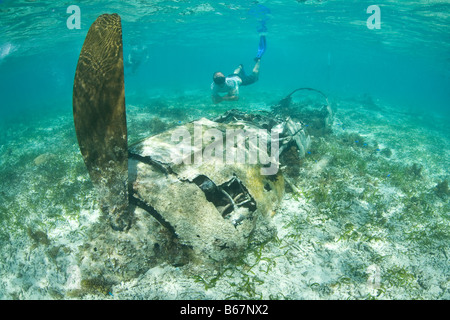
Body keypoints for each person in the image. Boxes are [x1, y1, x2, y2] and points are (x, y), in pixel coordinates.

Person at [211, 36, 266, 104]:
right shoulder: (213, 86)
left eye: (220, 78)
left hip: (240, 80)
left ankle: (258, 60)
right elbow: (215, 101)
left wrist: (223, 98)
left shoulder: (231, 83)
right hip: (232, 76)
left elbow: (236, 98)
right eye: (218, 79)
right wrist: (228, 96)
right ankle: (240, 67)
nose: (220, 81)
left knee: (255, 75)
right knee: (234, 74)